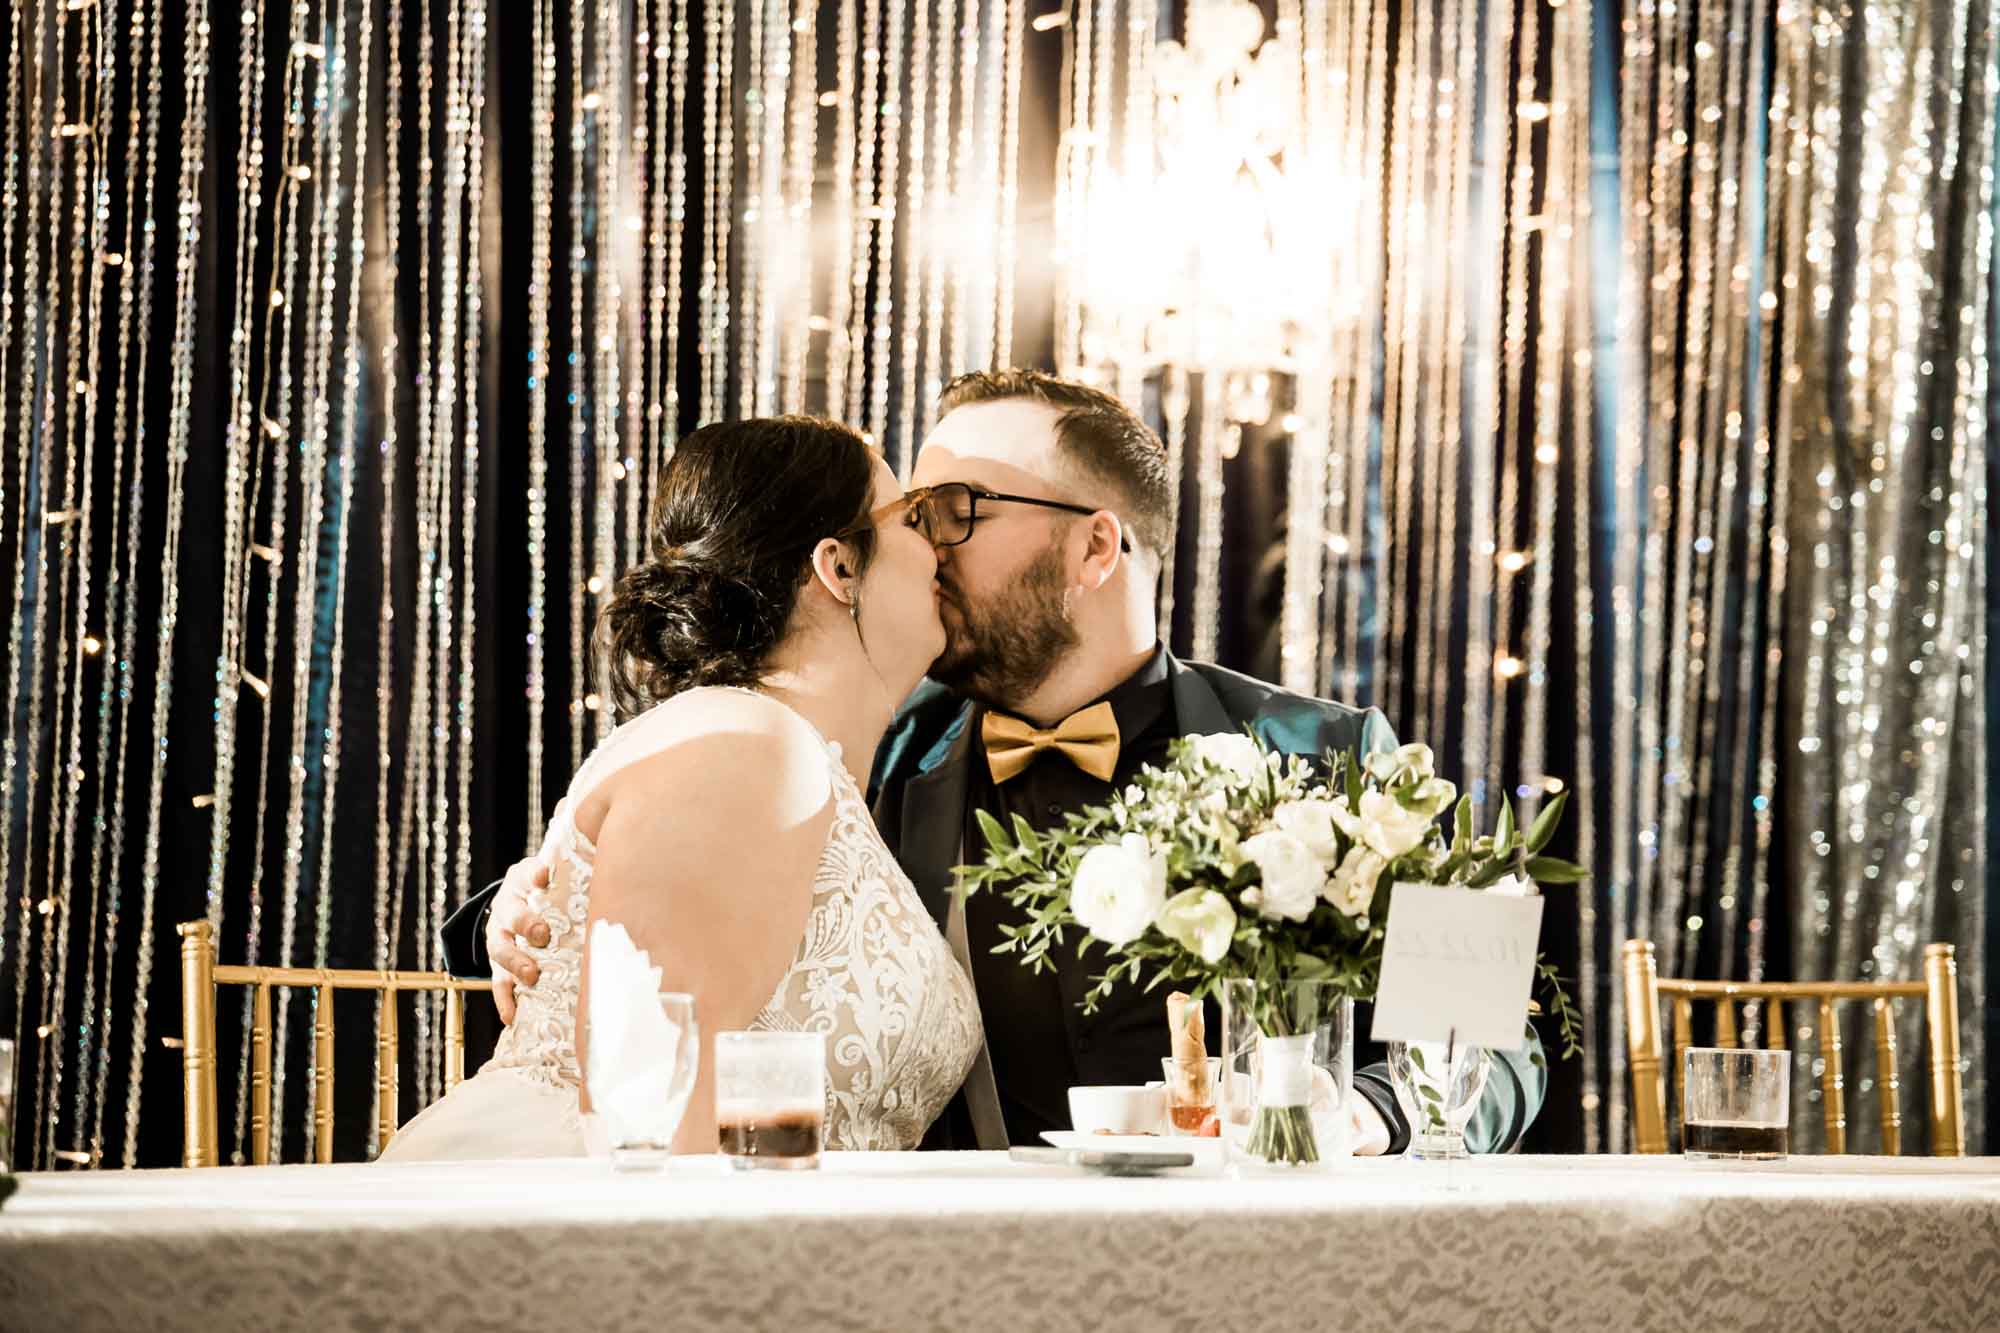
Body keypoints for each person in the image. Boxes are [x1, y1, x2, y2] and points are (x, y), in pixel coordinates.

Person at [452, 371, 1546, 1155]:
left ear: (1095, 545)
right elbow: (662, 910)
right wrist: (513, 911)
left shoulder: (1334, 756)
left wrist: (1364, 1113)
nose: (924, 545)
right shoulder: (867, 755)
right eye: (913, 515)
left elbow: (1494, 1041)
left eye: (956, 512)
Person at [382, 416, 981, 1160]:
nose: (942, 546)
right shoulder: (745, 747)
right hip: (589, 1212)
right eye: (914, 519)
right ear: (839, 566)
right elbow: (649, 1116)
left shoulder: (791, 756)